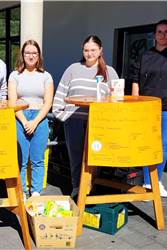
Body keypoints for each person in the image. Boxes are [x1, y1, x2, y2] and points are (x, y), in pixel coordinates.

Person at [52, 35, 119, 200]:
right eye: (86, 50)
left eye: (93, 50)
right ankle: (77, 187)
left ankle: (91, 187)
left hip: (98, 123)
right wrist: (63, 115)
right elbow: (61, 93)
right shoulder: (73, 69)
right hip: (74, 121)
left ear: (100, 50)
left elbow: (116, 99)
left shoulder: (110, 72)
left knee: (95, 157)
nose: (89, 54)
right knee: (76, 157)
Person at [132, 19, 167, 198]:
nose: (162, 35)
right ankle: (148, 181)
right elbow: (136, 82)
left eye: (166, 32)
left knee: (162, 145)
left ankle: (156, 181)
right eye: (159, 32)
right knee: (146, 145)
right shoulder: (145, 56)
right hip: (146, 108)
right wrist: (136, 104)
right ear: (154, 34)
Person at [8, 40, 54, 200]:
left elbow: (48, 102)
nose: (31, 56)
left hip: (40, 119)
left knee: (37, 159)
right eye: (27, 53)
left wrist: (34, 122)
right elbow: (12, 101)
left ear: (38, 55)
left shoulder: (46, 76)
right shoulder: (14, 75)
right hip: (20, 118)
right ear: (22, 55)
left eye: (34, 53)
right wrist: (24, 121)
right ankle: (21, 195)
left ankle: (35, 193)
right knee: (20, 159)